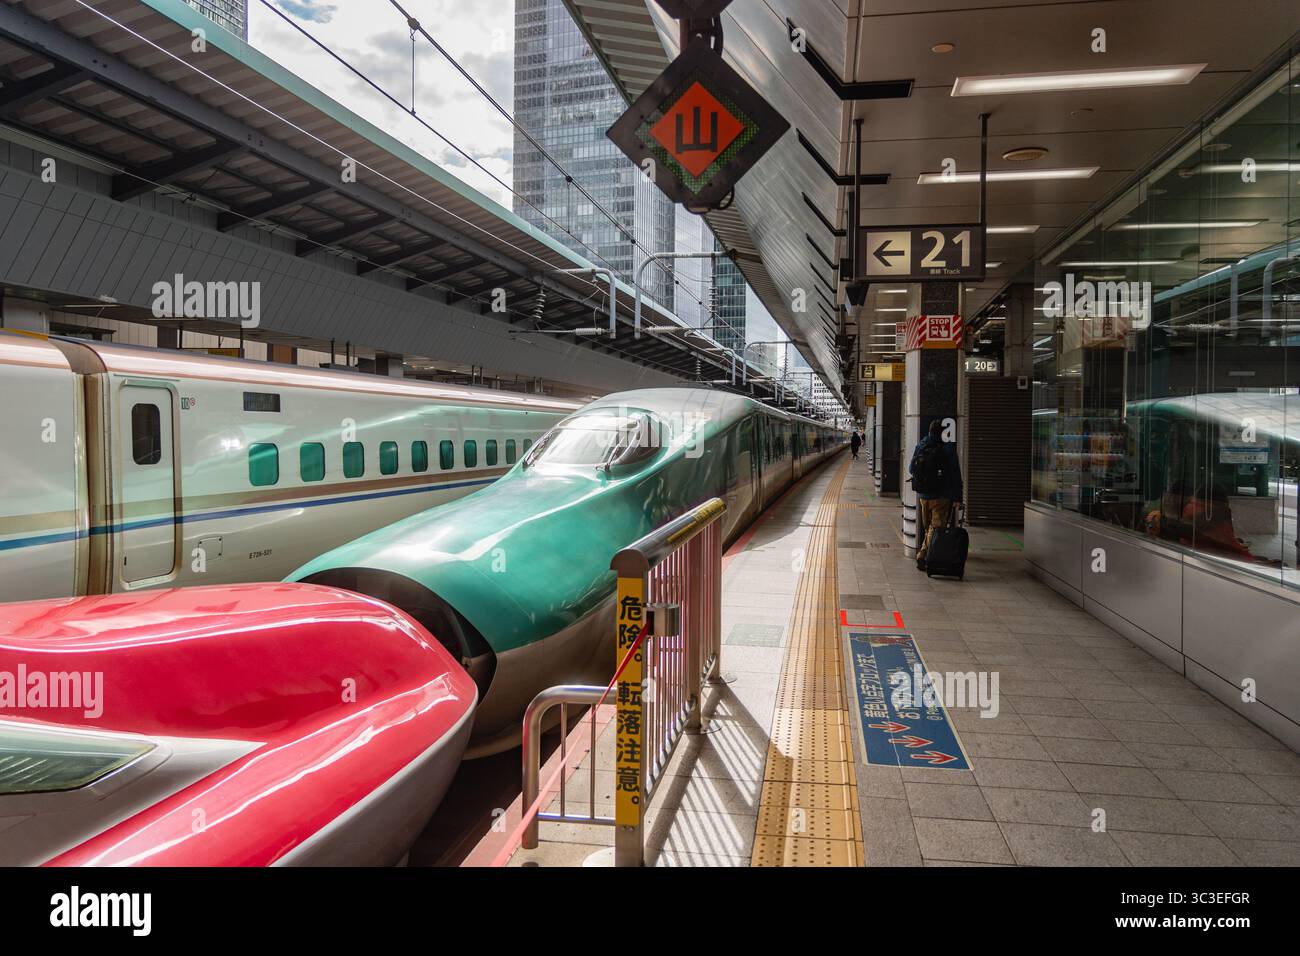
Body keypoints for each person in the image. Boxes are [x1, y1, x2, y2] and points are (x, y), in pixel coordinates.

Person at [909, 420, 963, 571]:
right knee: (935, 529)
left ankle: (927, 555)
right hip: (941, 496)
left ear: (929, 431)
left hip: (923, 497)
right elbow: (955, 475)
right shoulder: (947, 449)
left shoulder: (920, 446)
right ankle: (923, 555)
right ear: (942, 433)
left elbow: (910, 468)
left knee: (929, 528)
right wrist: (958, 497)